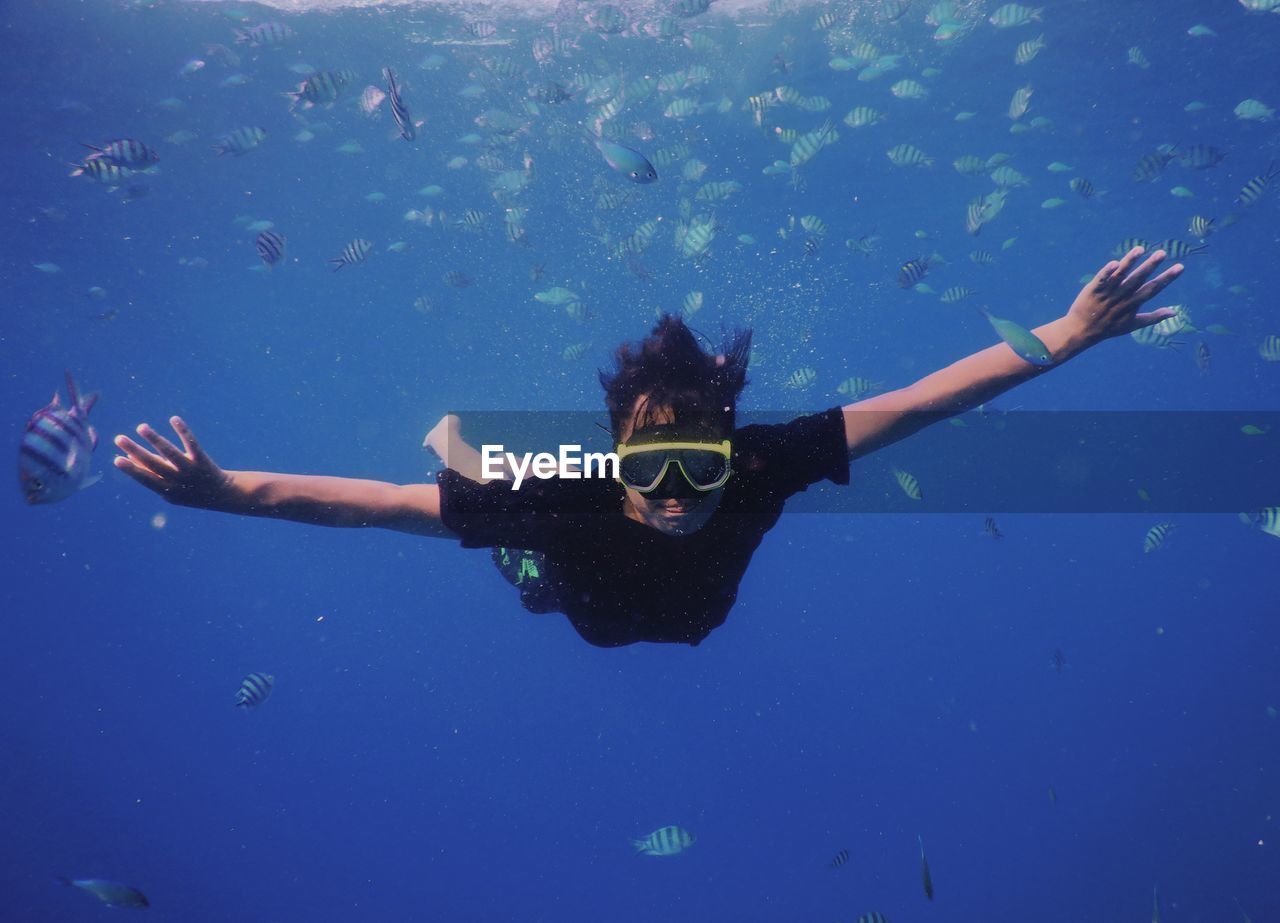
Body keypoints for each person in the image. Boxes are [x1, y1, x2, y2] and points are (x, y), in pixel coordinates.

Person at [114, 248, 1182, 647]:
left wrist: (1063, 335)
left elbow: (915, 402)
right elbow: (370, 504)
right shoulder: (574, 488)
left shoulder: (765, 457)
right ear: (611, 459)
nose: (673, 493)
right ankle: (501, 521)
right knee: (517, 550)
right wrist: (223, 489)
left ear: (731, 451)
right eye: (647, 471)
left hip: (694, 621)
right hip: (577, 600)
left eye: (697, 469)